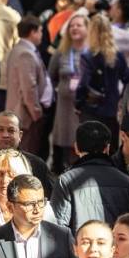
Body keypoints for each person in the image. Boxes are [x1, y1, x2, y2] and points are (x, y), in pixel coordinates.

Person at [51, 121, 129, 232]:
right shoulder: (128, 182)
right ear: (107, 148)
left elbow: (57, 228)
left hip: (80, 242)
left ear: (76, 147)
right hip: (114, 243)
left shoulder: (65, 181)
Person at [76, 13, 129, 148]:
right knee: (110, 148)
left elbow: (83, 83)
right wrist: (120, 99)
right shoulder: (118, 55)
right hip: (111, 109)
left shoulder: (87, 56)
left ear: (91, 31)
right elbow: (128, 80)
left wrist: (78, 103)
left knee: (91, 149)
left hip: (91, 110)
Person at [47, 11, 88, 172]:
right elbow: (50, 76)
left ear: (87, 29)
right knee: (64, 144)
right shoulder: (61, 51)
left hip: (84, 107)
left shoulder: (92, 52)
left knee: (82, 141)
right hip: (64, 107)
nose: (74, 28)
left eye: (79, 25)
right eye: (71, 26)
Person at [5, 16, 52, 156]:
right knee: (26, 156)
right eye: (40, 31)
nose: (42, 35)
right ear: (33, 32)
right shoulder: (25, 53)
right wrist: (37, 114)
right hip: (26, 117)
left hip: (22, 115)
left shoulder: (19, 49)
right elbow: (28, 89)